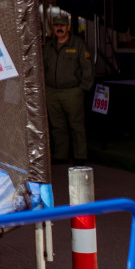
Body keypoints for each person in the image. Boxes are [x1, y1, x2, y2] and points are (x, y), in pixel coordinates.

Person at [43, 12, 94, 162]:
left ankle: (80, 157)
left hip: (72, 91)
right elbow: (43, 68)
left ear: (68, 27)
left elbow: (88, 68)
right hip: (52, 91)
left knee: (76, 125)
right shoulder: (48, 47)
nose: (59, 28)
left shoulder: (77, 44)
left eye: (62, 25)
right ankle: (61, 156)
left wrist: (83, 89)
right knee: (57, 126)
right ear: (53, 27)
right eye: (57, 25)